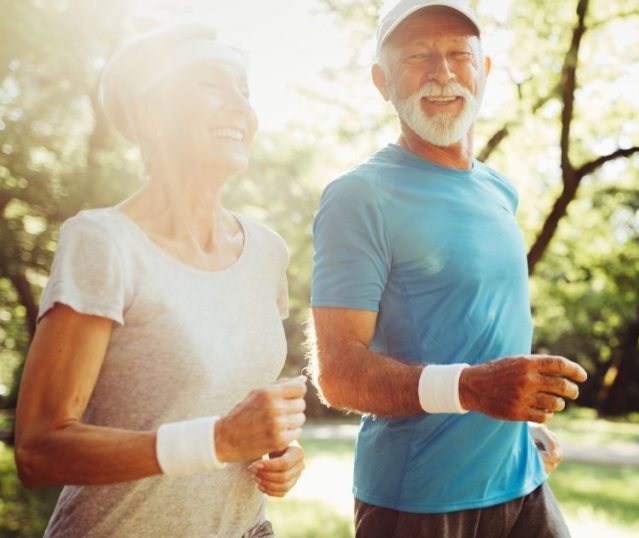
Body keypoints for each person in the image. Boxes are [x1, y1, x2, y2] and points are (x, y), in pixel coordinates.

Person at [14, 23, 307, 537]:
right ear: (151, 115)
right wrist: (217, 441)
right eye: (211, 85)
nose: (240, 106)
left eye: (244, 90)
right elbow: (39, 449)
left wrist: (279, 448)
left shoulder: (266, 252)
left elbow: (228, 407)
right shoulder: (104, 242)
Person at [308, 1, 587, 536]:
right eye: (417, 56)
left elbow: (474, 329)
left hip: (522, 482)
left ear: (483, 71)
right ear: (381, 80)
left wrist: (517, 432)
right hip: (419, 503)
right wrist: (473, 389)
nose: (441, 73)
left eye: (459, 54)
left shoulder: (499, 190)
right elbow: (337, 374)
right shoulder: (358, 196)